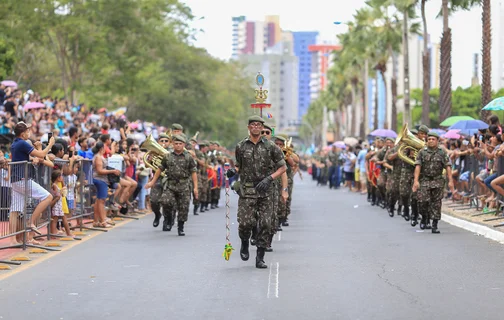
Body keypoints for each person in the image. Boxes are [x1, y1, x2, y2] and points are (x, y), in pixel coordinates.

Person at [225, 115, 286, 269]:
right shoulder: (241, 146)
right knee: (245, 223)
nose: (256, 127)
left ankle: (260, 256)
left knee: (266, 223)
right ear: (249, 127)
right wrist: (233, 170)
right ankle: (244, 242)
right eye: (253, 125)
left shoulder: (271, 147)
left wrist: (269, 179)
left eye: (258, 125)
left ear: (262, 127)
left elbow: (283, 167)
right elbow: (239, 165)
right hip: (247, 189)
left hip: (265, 189)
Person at [10, 121, 55, 243]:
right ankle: (31, 222)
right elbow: (41, 153)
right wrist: (50, 144)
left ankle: (13, 240)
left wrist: (32, 158)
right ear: (23, 133)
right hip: (22, 179)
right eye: (28, 131)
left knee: (14, 209)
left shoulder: (15, 143)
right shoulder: (22, 143)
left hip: (16, 180)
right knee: (48, 197)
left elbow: (27, 157)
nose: (29, 133)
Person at [145, 134, 198, 236]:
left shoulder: (188, 157)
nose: (178, 145)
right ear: (173, 144)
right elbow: (160, 169)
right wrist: (152, 182)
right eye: (176, 143)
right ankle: (168, 217)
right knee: (165, 202)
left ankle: (181, 227)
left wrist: (195, 187)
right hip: (170, 185)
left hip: (184, 185)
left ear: (184, 145)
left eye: (180, 144)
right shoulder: (168, 156)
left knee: (183, 207)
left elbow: (193, 172)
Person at [413, 132, 455, 233]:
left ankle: (434, 224)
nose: (430, 141)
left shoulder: (442, 152)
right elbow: (418, 166)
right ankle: (424, 217)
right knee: (422, 201)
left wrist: (451, 181)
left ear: (437, 141)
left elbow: (448, 166)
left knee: (436, 203)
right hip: (425, 180)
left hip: (438, 180)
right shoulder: (422, 152)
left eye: (433, 139)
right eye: (429, 139)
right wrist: (416, 181)